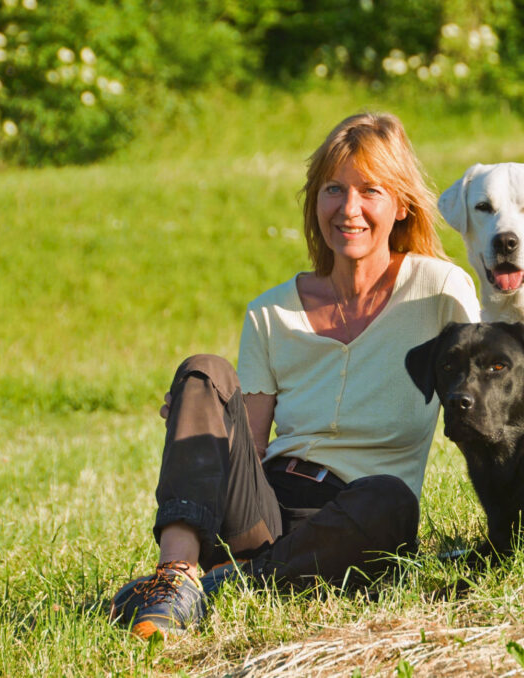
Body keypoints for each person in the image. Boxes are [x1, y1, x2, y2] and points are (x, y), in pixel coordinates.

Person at [109, 112, 480, 640]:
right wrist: (207, 418)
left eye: (369, 190)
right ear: (316, 201)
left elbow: (489, 387)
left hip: (357, 519)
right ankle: (175, 578)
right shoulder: (271, 311)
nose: (349, 209)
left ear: (401, 205)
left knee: (391, 500)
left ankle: (228, 586)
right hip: (264, 512)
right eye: (333, 189)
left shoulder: (440, 291)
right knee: (203, 371)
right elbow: (253, 446)